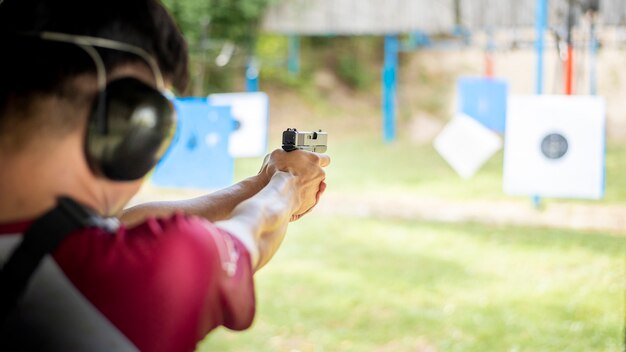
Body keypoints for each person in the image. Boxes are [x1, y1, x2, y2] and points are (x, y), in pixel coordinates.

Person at [0, 0, 330, 351]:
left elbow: (121, 225)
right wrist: (289, 185)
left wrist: (258, 184)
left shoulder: (54, 246)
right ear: (131, 128)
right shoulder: (129, 277)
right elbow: (251, 237)